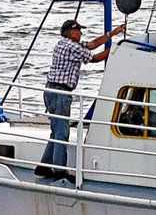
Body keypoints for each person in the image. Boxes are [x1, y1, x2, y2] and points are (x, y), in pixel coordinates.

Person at [36, 18, 125, 180]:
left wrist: (112, 34)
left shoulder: (63, 44)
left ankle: (44, 166)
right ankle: (59, 171)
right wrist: (115, 50)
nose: (81, 33)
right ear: (72, 32)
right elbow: (95, 58)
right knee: (62, 133)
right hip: (61, 93)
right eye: (79, 31)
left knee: (55, 131)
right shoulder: (72, 47)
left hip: (50, 90)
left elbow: (91, 45)